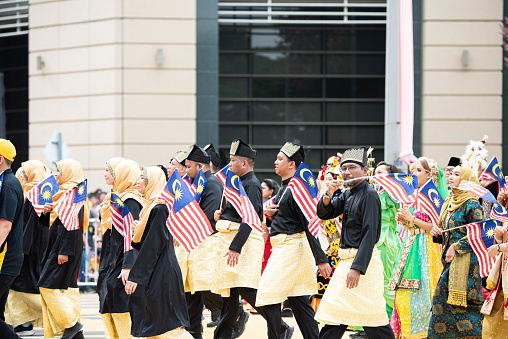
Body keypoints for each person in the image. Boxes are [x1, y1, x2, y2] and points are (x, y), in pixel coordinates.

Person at [212, 139, 293, 339]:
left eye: (232, 161)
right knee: (229, 294)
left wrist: (235, 247)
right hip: (233, 242)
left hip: (243, 245)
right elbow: (237, 212)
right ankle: (222, 335)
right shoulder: (237, 182)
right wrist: (221, 214)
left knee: (247, 290)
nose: (229, 165)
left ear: (244, 163)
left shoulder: (252, 185)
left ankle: (281, 326)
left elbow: (251, 219)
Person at [314, 146, 395, 339]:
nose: (347, 172)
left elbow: (370, 235)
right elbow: (325, 213)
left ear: (365, 171)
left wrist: (357, 268)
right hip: (346, 264)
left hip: (362, 265)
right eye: (344, 168)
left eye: (352, 167)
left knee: (374, 321)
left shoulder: (369, 195)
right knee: (334, 315)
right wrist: (327, 194)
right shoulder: (347, 192)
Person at [258, 142, 331, 339]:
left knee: (267, 295)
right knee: (299, 302)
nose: (275, 162)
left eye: (280, 159)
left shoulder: (296, 188)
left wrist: (321, 258)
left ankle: (279, 334)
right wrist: (270, 215)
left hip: (292, 248)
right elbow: (289, 219)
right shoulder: (285, 188)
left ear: (291, 164)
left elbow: (310, 223)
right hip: (287, 247)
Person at [125, 166, 192, 338]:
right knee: (157, 323)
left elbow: (153, 246)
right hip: (157, 271)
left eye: (142, 178)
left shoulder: (159, 208)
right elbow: (147, 242)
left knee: (167, 326)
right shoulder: (150, 208)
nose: (137, 182)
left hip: (162, 273)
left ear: (151, 182)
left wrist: (136, 276)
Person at [388, 157, 446, 338]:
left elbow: (436, 227)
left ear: (430, 174)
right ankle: (408, 331)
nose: (414, 174)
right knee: (403, 295)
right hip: (411, 244)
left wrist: (411, 218)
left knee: (425, 292)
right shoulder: (414, 195)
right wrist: (404, 220)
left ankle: (424, 331)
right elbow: (413, 226)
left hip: (428, 248)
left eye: (419, 170)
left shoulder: (433, 196)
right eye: (413, 170)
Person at [428, 164, 484, 338]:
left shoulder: (472, 204)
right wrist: (436, 233)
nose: (451, 176)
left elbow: (479, 232)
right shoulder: (449, 202)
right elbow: (444, 230)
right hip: (449, 261)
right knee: (444, 303)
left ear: (466, 179)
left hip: (467, 263)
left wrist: (456, 247)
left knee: (462, 304)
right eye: (450, 173)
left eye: (457, 174)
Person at [39, 158, 89, 339]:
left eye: (58, 170)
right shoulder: (63, 194)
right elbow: (56, 222)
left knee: (47, 285)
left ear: (68, 172)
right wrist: (47, 211)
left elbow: (73, 225)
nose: (54, 174)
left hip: (65, 247)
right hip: (60, 245)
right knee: (67, 288)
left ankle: (72, 324)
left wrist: (64, 251)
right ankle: (76, 334)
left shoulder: (75, 193)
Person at [98, 159, 142, 339]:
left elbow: (131, 236)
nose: (106, 174)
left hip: (123, 261)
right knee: (109, 299)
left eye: (110, 171)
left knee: (120, 302)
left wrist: (127, 265)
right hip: (114, 258)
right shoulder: (119, 197)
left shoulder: (130, 200)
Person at [182, 145, 223, 339]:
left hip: (207, 242)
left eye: (189, 166)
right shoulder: (198, 182)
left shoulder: (212, 182)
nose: (186, 170)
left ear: (200, 165)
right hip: (194, 242)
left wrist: (187, 229)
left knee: (204, 285)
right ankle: (194, 333)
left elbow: (208, 216)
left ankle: (235, 310)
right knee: (191, 294)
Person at [6, 160, 50, 335]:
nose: (21, 176)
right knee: (20, 286)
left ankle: (59, 318)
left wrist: (20, 251)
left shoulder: (35, 195)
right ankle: (23, 324)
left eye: (24, 173)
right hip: (31, 247)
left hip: (29, 249)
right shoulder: (32, 194)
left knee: (23, 285)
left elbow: (30, 226)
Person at [0, 140, 25, 339]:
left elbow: (5, 225)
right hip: (8, 258)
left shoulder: (8, 185)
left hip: (4, 259)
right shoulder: (8, 182)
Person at [371, 161, 401, 322]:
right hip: (371, 240)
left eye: (380, 172)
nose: (376, 175)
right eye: (375, 171)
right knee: (371, 283)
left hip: (385, 240)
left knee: (385, 282)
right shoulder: (373, 191)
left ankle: (398, 315)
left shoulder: (392, 193)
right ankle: (371, 323)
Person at [482, 190, 508, 338]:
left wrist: (499, 247)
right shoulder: (505, 213)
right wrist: (498, 238)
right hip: (502, 276)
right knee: (491, 326)